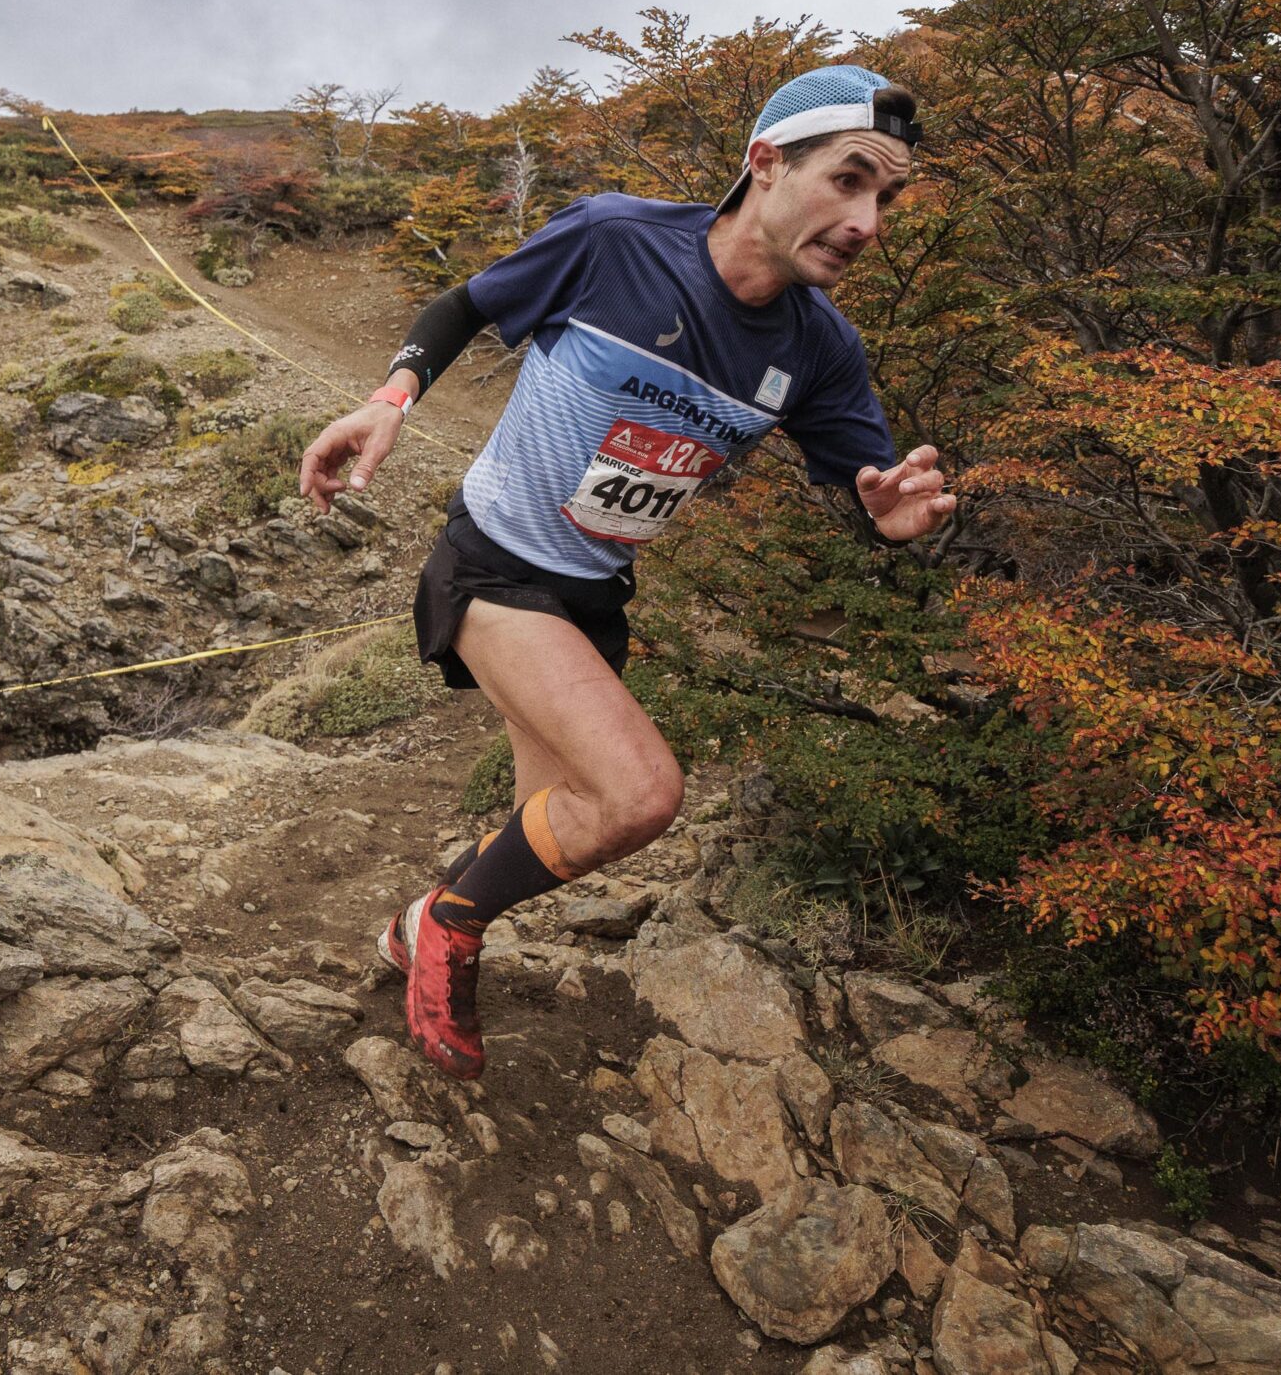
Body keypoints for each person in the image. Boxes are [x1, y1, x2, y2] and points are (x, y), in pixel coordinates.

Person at [297, 65, 958, 1079]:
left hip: (592, 595)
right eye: (849, 180)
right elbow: (466, 303)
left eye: (887, 199)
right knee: (643, 794)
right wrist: (389, 400)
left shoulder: (821, 351)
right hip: (491, 564)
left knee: (557, 827)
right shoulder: (614, 240)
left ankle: (412, 926)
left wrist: (891, 521)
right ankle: (447, 927)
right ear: (765, 162)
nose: (868, 220)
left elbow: (868, 491)